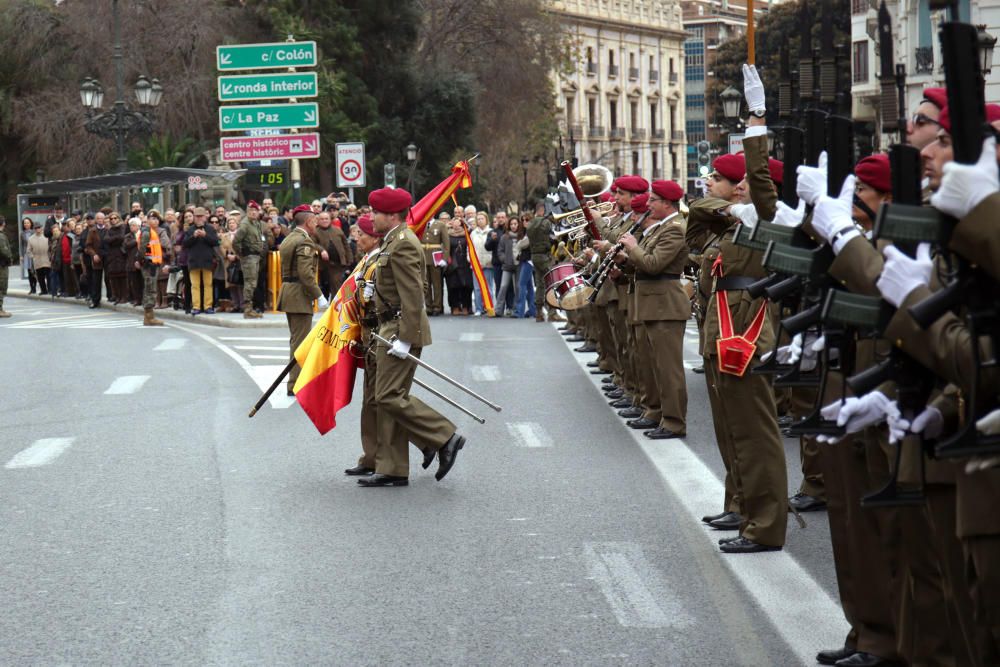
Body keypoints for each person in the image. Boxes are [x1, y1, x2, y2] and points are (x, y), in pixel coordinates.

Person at [361, 187, 466, 487]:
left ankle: (444, 437)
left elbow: (412, 295)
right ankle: (392, 467)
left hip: (399, 328)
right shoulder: (391, 241)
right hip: (389, 326)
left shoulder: (404, 243)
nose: (371, 217)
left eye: (375, 213)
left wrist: (405, 337)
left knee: (389, 396)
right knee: (387, 398)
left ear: (391, 215)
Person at [617, 180, 690, 440]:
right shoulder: (660, 229)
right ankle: (658, 413)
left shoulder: (674, 229)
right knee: (656, 365)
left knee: (668, 369)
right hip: (654, 304)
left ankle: (673, 422)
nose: (647, 205)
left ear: (667, 204)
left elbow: (654, 264)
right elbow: (642, 264)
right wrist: (624, 261)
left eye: (653, 201)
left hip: (665, 304)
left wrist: (633, 249)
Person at [278, 205, 323, 396]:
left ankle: (296, 381)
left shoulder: (289, 238)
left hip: (289, 291)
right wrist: (318, 295)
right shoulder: (305, 242)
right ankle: (295, 384)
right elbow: (306, 274)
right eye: (314, 220)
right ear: (307, 221)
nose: (317, 223)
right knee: (300, 342)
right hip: (299, 295)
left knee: (296, 339)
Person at [182, 207, 220, 314]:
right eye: (197, 216)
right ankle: (196, 307)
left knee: (208, 284)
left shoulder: (210, 229)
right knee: (195, 285)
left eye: (200, 216)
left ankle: (208, 306)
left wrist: (205, 235)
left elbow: (216, 242)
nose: (199, 218)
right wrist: (193, 236)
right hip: (193, 261)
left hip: (207, 260)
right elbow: (185, 244)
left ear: (205, 217)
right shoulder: (190, 229)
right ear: (194, 217)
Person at [233, 201, 265, 319]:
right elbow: (236, 242)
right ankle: (248, 309)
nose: (253, 212)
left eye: (255, 211)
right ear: (247, 211)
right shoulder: (245, 224)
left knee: (253, 282)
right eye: (251, 210)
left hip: (256, 256)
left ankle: (250, 308)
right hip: (249, 256)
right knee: (250, 283)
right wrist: (241, 254)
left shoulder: (255, 223)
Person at [313, 210, 352, 300]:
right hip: (325, 264)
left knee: (339, 283)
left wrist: (349, 260)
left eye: (326, 218)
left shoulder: (337, 230)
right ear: (318, 220)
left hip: (340, 262)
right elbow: (312, 243)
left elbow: (346, 245)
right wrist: (321, 250)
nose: (324, 221)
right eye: (322, 219)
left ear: (330, 219)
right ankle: (336, 304)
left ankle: (338, 303)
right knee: (333, 284)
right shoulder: (315, 232)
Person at [524, 201, 554, 322]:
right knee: (551, 283)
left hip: (534, 256)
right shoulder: (546, 222)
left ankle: (539, 313)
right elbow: (551, 235)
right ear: (543, 210)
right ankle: (552, 312)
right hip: (545, 256)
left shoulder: (530, 224)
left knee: (539, 284)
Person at [137, 211, 165, 326]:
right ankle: (149, 316)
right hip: (150, 265)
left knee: (151, 289)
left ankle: (149, 316)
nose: (155, 221)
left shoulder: (152, 231)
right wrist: (144, 261)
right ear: (147, 220)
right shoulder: (147, 231)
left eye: (157, 219)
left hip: (153, 264)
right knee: (150, 289)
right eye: (152, 218)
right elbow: (143, 248)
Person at [422, 212, 451, 316]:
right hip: (424, 256)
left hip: (436, 256)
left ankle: (437, 307)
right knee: (426, 284)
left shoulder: (440, 225)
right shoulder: (421, 224)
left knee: (437, 284)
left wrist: (445, 258)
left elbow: (446, 242)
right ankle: (428, 307)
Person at [445, 216, 473, 315]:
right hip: (453, 263)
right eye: (454, 222)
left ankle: (466, 306)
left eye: (458, 222)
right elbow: (444, 247)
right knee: (453, 286)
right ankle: (455, 306)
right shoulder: (448, 234)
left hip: (465, 262)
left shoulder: (467, 234)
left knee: (466, 286)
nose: (456, 224)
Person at [469, 211, 492, 316]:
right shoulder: (473, 233)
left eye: (482, 218)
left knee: (488, 287)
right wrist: (470, 260)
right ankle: (479, 308)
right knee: (477, 288)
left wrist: (490, 260)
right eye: (478, 219)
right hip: (476, 264)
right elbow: (469, 248)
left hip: (488, 264)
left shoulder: (491, 232)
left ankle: (489, 307)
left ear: (486, 220)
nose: (480, 221)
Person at [495, 216, 518, 317]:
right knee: (503, 286)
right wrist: (504, 259)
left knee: (517, 288)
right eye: (511, 224)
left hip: (518, 266)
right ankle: (498, 309)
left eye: (515, 224)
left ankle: (516, 309)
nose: (513, 226)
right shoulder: (505, 237)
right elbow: (500, 251)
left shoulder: (521, 236)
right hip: (507, 266)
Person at [513, 213, 535, 318]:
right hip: (526, 260)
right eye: (523, 220)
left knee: (521, 285)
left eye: (527, 219)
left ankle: (519, 311)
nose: (525, 222)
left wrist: (518, 246)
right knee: (529, 287)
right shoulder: (526, 231)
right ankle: (532, 310)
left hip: (529, 261)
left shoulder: (532, 231)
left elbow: (523, 244)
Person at [27, 224, 51, 295]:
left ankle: (50, 289)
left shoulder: (46, 236)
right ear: (34, 229)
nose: (37, 229)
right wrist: (32, 256)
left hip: (47, 259)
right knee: (40, 277)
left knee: (49, 276)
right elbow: (28, 250)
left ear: (42, 228)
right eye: (36, 228)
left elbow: (51, 246)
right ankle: (43, 290)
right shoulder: (31, 238)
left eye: (39, 228)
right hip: (37, 260)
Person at [20, 218, 36, 294]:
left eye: (28, 223)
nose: (26, 224)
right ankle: (32, 288)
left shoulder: (34, 232)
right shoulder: (22, 233)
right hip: (27, 254)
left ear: (31, 223)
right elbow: (22, 245)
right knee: (29, 271)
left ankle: (35, 287)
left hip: (34, 253)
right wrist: (21, 255)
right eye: (25, 223)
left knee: (34, 271)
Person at [0, 216, 11, 317]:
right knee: (1, 286)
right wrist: (10, 258)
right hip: (1, 265)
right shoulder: (1, 236)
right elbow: (4, 251)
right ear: (3, 224)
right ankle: (0, 310)